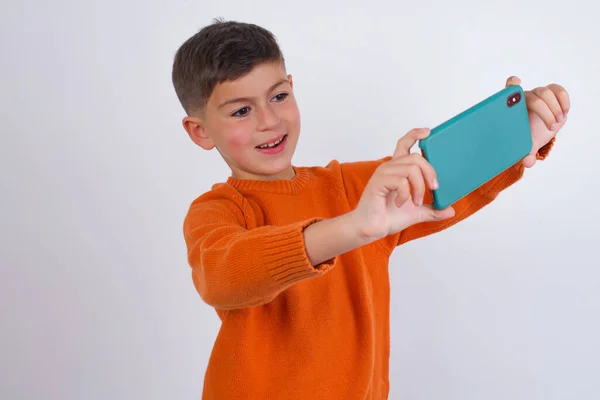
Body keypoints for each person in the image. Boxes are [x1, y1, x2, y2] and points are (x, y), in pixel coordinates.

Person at [171, 18, 570, 400]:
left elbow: (443, 183)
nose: (269, 120)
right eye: (242, 110)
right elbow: (224, 275)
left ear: (292, 87)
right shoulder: (216, 211)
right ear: (200, 130)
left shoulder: (350, 187)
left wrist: (525, 132)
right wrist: (355, 228)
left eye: (278, 96)